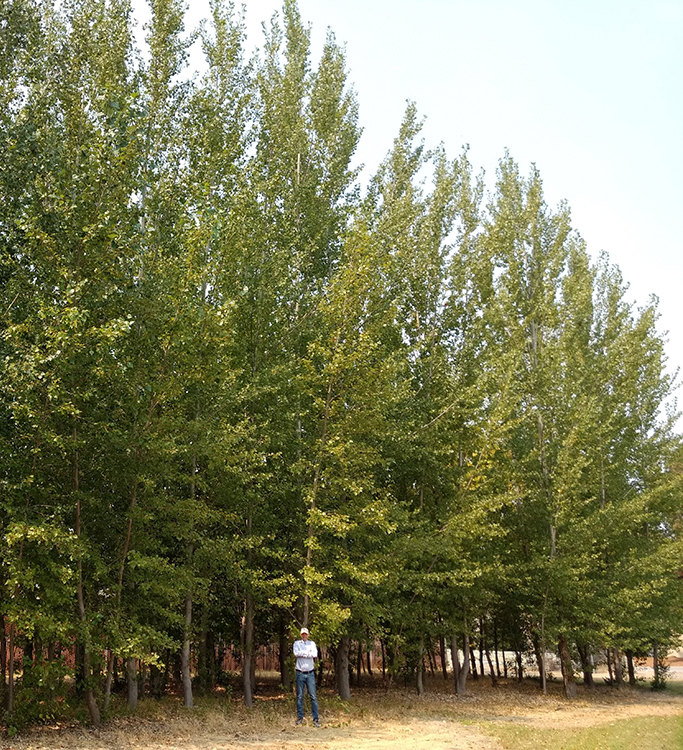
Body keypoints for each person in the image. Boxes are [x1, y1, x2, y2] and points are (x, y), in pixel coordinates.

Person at [293, 627, 320, 726]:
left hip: (310, 673)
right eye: (303, 634)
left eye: (306, 634)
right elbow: (296, 653)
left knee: (313, 696)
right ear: (301, 635)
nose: (304, 635)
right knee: (299, 696)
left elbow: (315, 654)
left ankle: (316, 719)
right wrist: (307, 653)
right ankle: (300, 718)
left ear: (308, 635)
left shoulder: (312, 644)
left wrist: (303, 654)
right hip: (300, 673)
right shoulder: (296, 643)